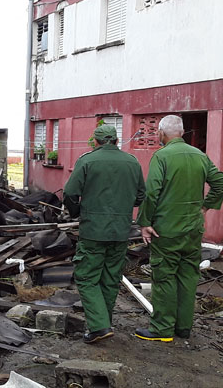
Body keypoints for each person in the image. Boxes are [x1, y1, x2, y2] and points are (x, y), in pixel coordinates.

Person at [134, 115, 223, 342]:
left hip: (167, 230)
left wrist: (145, 222)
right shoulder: (199, 156)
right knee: (188, 276)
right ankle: (183, 327)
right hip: (193, 229)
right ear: (182, 133)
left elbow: (153, 191)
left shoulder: (162, 156)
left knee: (165, 276)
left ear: (161, 134)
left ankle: (162, 330)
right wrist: (205, 208)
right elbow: (221, 183)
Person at [64, 124, 145, 344]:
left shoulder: (87, 161)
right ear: (117, 141)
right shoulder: (132, 162)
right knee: (110, 279)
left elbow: (70, 193)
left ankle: (99, 326)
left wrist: (76, 212)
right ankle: (103, 323)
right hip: (121, 230)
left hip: (92, 230)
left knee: (87, 277)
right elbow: (140, 195)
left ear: (96, 141)